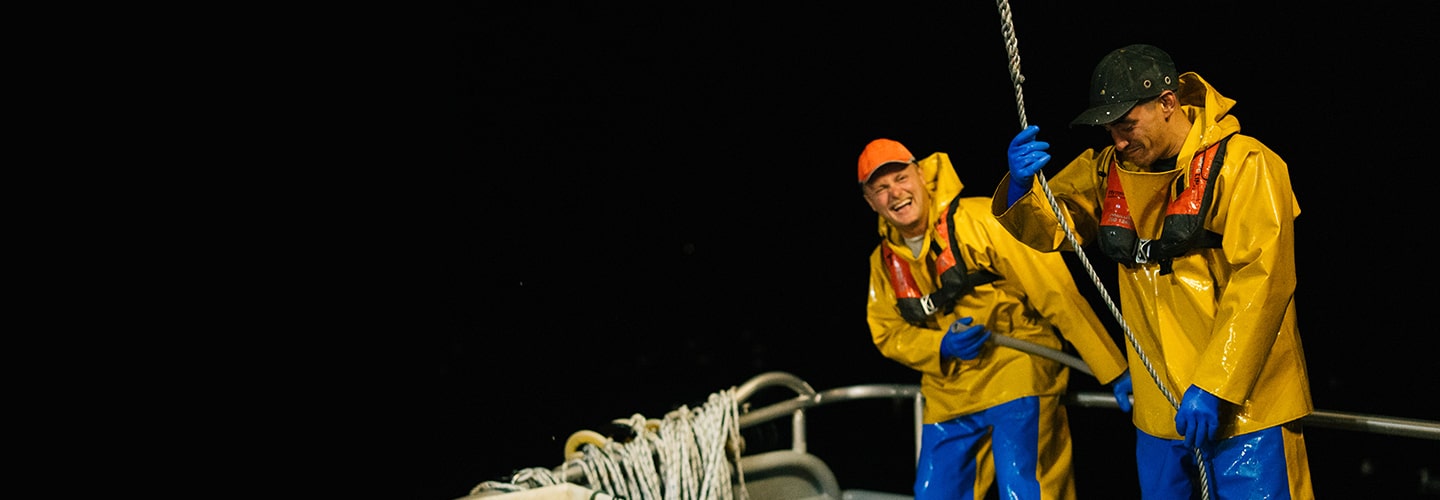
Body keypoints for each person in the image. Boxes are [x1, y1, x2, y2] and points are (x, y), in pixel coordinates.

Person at [994, 44, 1314, 498]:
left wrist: (1216, 384)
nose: (1119, 141)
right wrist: (1022, 188)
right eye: (1110, 130)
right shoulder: (1107, 172)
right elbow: (1049, 230)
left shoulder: (1246, 165)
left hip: (1247, 409)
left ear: (1168, 103)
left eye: (1127, 125)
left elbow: (1264, 280)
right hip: (1158, 411)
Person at [857, 137, 1130, 499]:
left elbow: (1057, 294)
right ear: (869, 201)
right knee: (933, 492)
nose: (895, 194)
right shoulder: (883, 263)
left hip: (1016, 372)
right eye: (881, 188)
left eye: (901, 179)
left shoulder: (981, 219)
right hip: (949, 391)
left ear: (921, 175)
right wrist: (940, 344)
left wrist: (1114, 369)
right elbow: (887, 332)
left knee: (1024, 488)